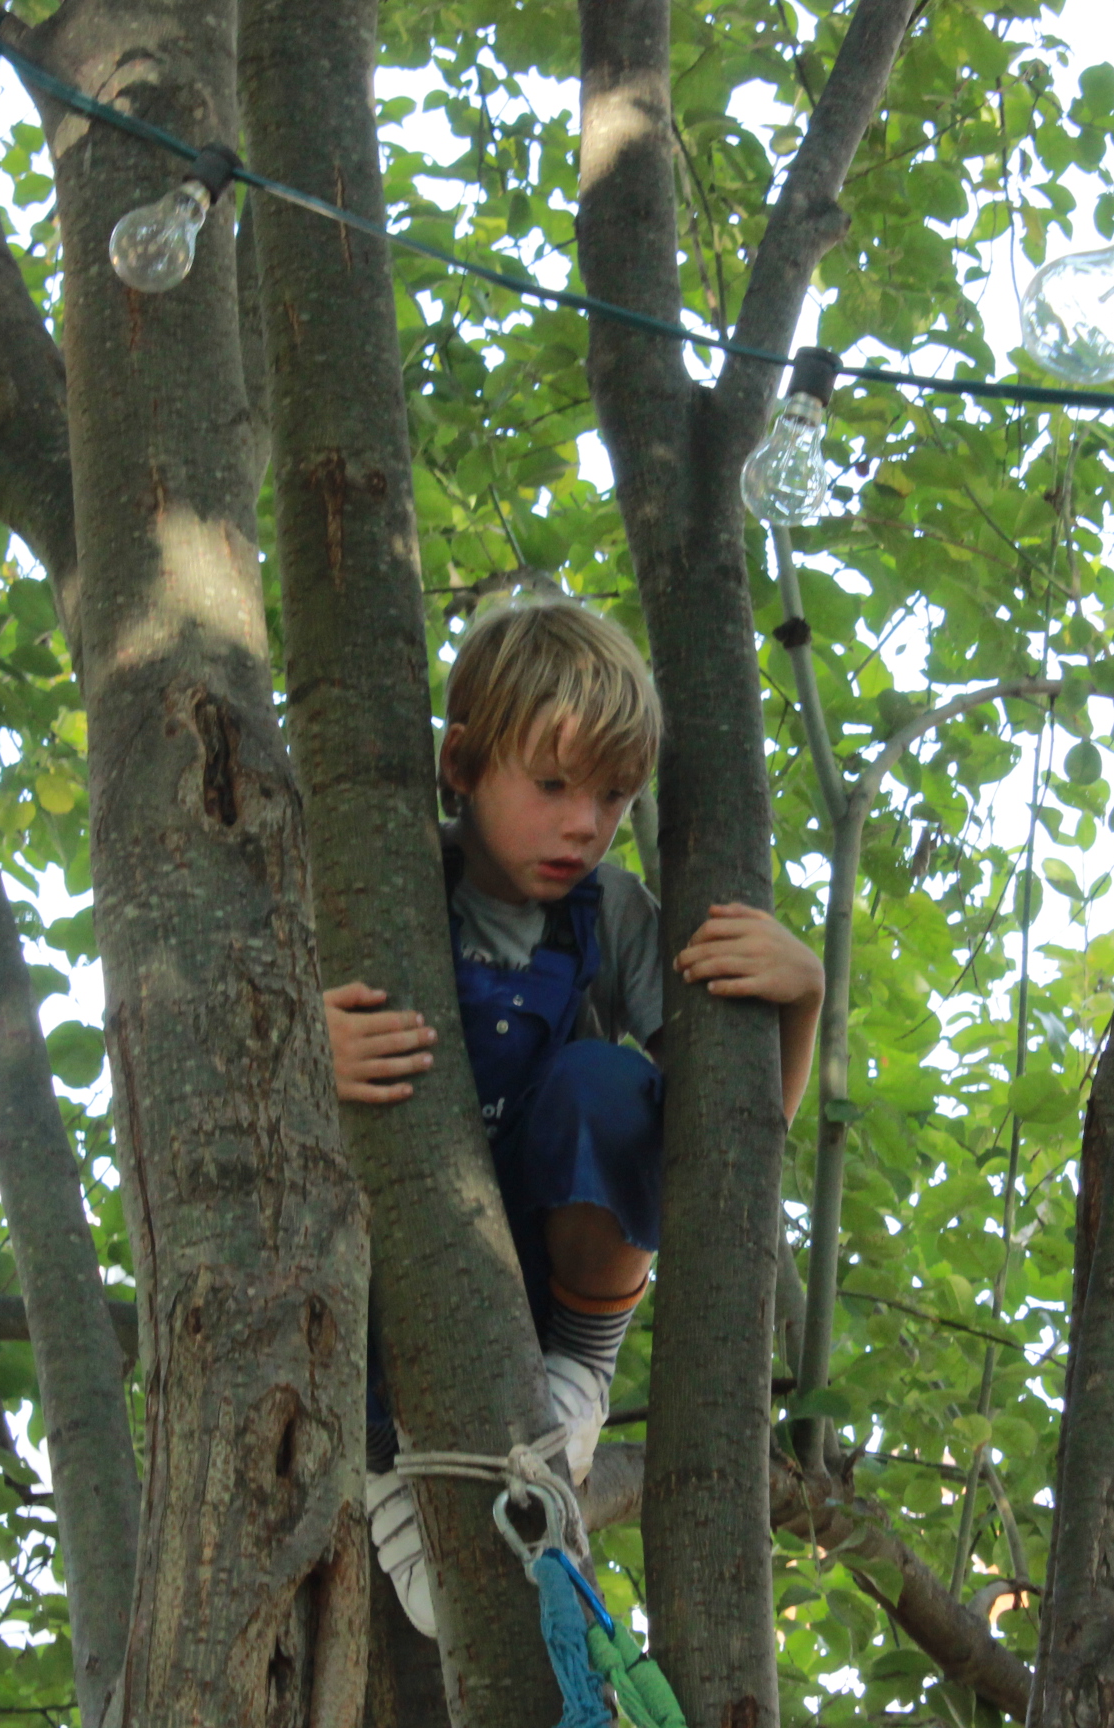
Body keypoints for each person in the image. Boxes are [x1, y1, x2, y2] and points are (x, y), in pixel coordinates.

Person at [324, 597, 824, 1636]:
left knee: (603, 1082)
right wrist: (299, 1050)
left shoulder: (618, 915)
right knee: (452, 1600)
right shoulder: (376, 891)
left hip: (549, 1275)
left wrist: (804, 1003)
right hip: (392, 1296)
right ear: (461, 766)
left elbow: (720, 1162)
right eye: (552, 786)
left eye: (612, 796)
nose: (585, 824)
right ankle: (383, 1461)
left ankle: (579, 1369)